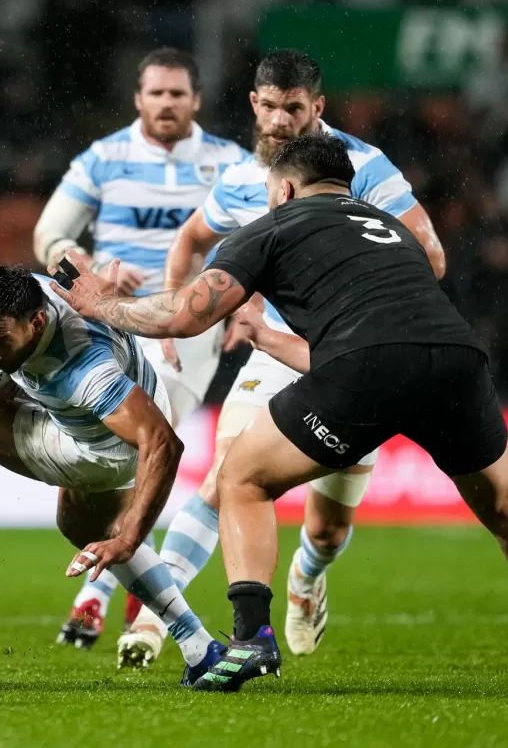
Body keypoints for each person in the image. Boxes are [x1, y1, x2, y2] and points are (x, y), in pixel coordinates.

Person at [52, 133, 508, 694]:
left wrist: (101, 303)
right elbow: (384, 326)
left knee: (241, 477)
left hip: (365, 369)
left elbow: (183, 314)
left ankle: (252, 639)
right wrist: (271, 340)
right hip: (456, 359)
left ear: (285, 188)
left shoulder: (272, 227)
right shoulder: (388, 228)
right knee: (506, 505)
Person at [144, 49, 447, 658]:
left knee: (329, 528)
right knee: (228, 476)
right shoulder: (237, 181)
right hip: (270, 355)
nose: (280, 121)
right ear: (254, 103)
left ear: (318, 107)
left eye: (294, 108)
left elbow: (432, 256)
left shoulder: (364, 167)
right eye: (270, 107)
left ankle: (308, 575)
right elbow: (191, 240)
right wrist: (177, 320)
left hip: (349, 356)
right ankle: (157, 620)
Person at [0, 265, 225, 685]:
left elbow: (164, 445)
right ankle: (198, 645)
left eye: (0, 342)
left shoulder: (84, 368)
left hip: (106, 448)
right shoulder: (13, 298)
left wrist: (130, 537)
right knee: (77, 523)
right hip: (135, 397)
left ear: (37, 322)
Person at [32, 47, 249, 661]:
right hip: (111, 321)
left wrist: (245, 307)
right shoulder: (104, 159)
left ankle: (100, 589)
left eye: (177, 94)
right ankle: (121, 587)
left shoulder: (230, 163)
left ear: (196, 99)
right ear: (138, 98)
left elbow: (260, 243)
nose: (166, 103)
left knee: (142, 449)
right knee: (131, 455)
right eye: (156, 93)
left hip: (189, 326)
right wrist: (95, 267)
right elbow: (50, 235)